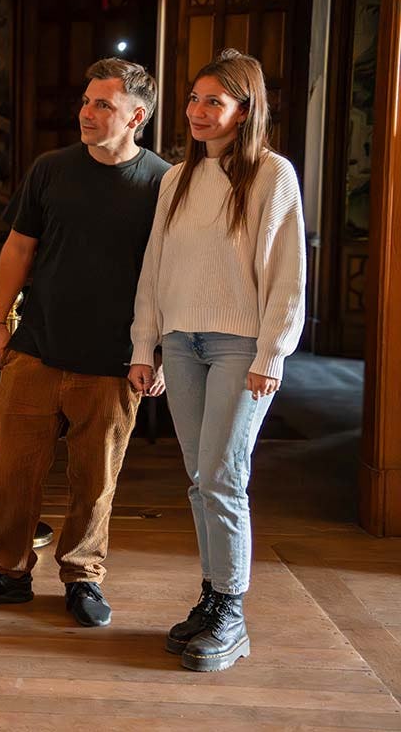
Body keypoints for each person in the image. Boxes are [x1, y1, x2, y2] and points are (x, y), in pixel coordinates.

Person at [0, 58, 169, 627]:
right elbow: (19, 247)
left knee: (95, 481)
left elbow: (174, 274)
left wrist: (159, 350)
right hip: (36, 348)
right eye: (86, 101)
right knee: (12, 474)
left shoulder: (163, 183)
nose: (86, 113)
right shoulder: (51, 169)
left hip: (115, 360)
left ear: (135, 116)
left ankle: (82, 577)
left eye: (103, 105)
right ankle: (6, 572)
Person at [128, 49, 305, 672]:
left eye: (214, 102)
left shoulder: (272, 175)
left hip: (240, 346)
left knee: (224, 477)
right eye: (194, 99)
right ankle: (211, 598)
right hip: (181, 344)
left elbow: (287, 275)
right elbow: (155, 266)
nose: (198, 112)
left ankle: (231, 611)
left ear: (245, 110)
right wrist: (145, 345)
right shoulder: (176, 179)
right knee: (200, 478)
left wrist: (272, 353)